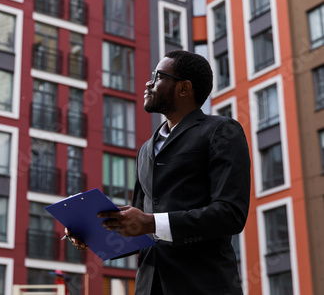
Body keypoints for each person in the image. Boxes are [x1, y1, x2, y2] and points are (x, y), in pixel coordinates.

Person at [66, 50, 250, 295]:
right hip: (148, 287)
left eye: (158, 76)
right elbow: (140, 229)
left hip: (203, 285)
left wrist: (151, 222)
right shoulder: (145, 149)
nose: (148, 82)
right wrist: (93, 231)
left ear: (184, 88)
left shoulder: (221, 131)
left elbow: (230, 214)